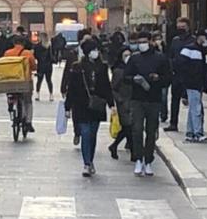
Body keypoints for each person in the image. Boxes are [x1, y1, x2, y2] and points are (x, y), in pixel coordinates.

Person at [62, 38, 114, 176]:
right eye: (93, 50)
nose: (95, 52)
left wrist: (111, 104)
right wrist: (67, 107)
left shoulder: (102, 67)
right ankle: (86, 163)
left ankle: (90, 160)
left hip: (97, 104)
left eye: (96, 50)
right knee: (85, 132)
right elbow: (71, 88)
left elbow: (106, 87)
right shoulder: (77, 67)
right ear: (87, 52)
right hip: (81, 104)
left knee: (92, 134)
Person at [124, 30, 171, 177]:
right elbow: (126, 77)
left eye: (144, 41)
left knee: (151, 131)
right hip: (137, 99)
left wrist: (157, 78)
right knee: (137, 129)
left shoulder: (160, 58)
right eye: (139, 42)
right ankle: (138, 158)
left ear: (150, 41)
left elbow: (168, 78)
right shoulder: (134, 59)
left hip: (153, 99)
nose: (141, 45)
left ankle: (148, 160)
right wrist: (134, 79)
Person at [174, 29, 207, 143]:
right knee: (196, 109)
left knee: (193, 108)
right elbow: (182, 66)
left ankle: (190, 133)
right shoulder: (192, 49)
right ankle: (197, 132)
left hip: (194, 83)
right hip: (193, 83)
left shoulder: (200, 50)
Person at [2, 34, 37, 133]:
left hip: (10, 81)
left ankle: (11, 103)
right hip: (24, 81)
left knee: (11, 94)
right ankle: (28, 122)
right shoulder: (27, 53)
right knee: (28, 101)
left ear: (14, 43)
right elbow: (34, 66)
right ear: (24, 43)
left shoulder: (7, 53)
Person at [165, 18, 192, 132]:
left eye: (183, 27)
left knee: (192, 100)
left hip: (189, 74)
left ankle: (194, 125)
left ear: (188, 27)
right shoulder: (175, 40)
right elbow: (170, 55)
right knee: (175, 100)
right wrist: (171, 68)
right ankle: (173, 123)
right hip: (176, 74)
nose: (181, 29)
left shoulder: (192, 40)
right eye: (179, 27)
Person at [108, 47, 135, 161]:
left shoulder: (134, 69)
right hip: (123, 103)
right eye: (125, 55)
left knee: (129, 127)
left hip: (133, 102)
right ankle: (133, 153)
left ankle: (114, 146)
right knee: (128, 126)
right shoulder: (119, 71)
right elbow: (113, 88)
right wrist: (119, 100)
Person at [34, 32, 54, 100]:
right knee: (49, 80)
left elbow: (35, 56)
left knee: (39, 80)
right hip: (48, 65)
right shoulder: (50, 46)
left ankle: (37, 94)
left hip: (40, 65)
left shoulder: (37, 46)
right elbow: (52, 56)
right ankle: (51, 95)